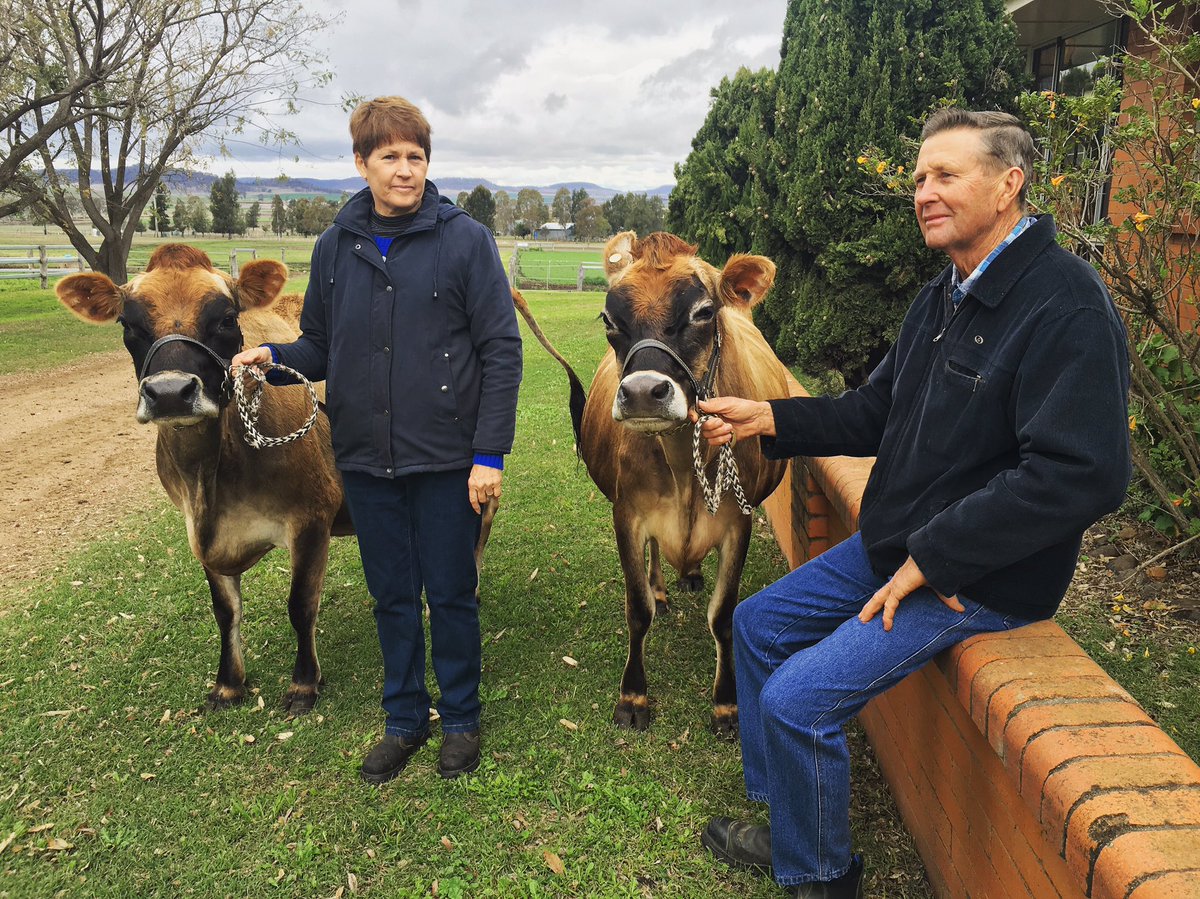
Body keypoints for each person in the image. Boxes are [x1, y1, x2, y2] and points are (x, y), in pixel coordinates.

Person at [694, 108, 1131, 897]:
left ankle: (824, 878)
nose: (924, 192)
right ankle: (789, 818)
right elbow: (874, 410)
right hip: (895, 546)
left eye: (946, 175)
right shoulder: (945, 295)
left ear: (1010, 184)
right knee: (758, 626)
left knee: (796, 699)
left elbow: (1082, 473)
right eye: (920, 177)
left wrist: (938, 554)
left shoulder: (1065, 306)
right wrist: (771, 418)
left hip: (978, 576)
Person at [231, 96, 522, 784]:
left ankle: (460, 718)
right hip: (361, 456)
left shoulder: (466, 241)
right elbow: (322, 347)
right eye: (389, 157)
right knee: (391, 594)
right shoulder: (336, 246)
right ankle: (402, 718)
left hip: (448, 456)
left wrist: (488, 455)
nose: (405, 170)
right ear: (361, 163)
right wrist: (274, 361)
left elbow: (501, 351)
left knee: (449, 591)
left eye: (415, 156)